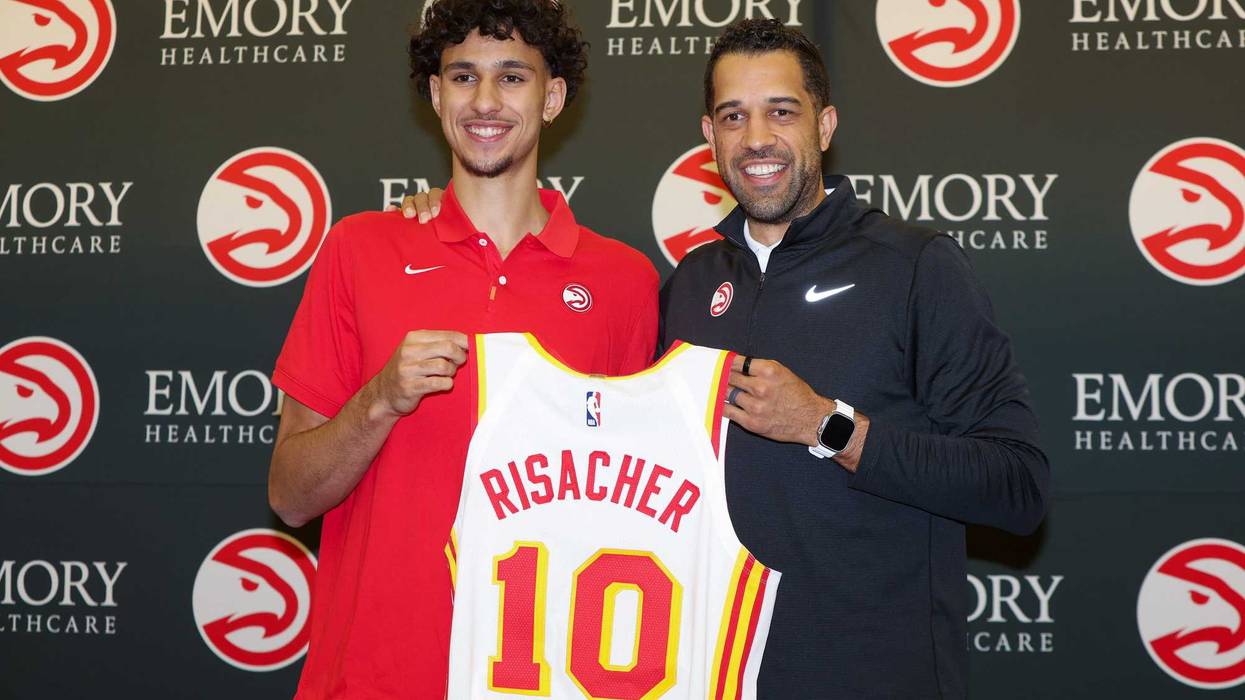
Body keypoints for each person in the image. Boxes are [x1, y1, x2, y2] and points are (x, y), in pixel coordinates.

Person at [401, 18, 1049, 698]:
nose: (758, 139)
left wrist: (827, 427)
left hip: (873, 676)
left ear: (824, 126)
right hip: (711, 676)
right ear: (709, 138)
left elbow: (1016, 486)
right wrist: (448, 210)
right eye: (734, 116)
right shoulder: (689, 286)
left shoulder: (914, 268)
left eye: (782, 112)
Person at [268, 1, 658, 697]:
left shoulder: (622, 282)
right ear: (434, 93)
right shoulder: (360, 249)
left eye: (512, 77)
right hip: (372, 675)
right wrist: (379, 399)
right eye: (462, 76)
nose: (484, 101)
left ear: (553, 97)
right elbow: (290, 497)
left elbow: (639, 515)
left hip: (542, 675)